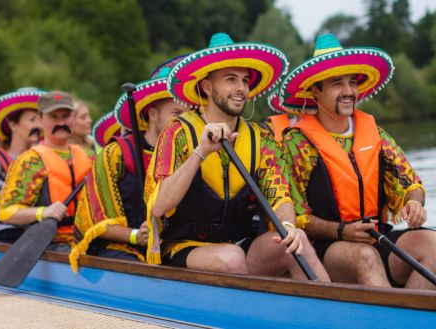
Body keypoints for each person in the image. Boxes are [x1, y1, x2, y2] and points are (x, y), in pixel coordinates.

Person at [145, 33, 330, 282]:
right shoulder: (177, 132)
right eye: (231, 79)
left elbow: (280, 193)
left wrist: (288, 226)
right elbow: (159, 206)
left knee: (299, 243)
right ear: (208, 87)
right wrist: (200, 153)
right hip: (183, 247)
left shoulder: (261, 137)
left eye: (244, 80)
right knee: (231, 258)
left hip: (241, 245)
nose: (241, 88)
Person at [280, 33, 436, 289]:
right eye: (337, 83)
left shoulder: (376, 134)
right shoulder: (296, 143)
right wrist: (341, 231)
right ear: (315, 91)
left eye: (352, 82)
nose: (349, 91)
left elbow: (411, 185)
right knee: (365, 257)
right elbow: (295, 217)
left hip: (379, 238)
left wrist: (414, 204)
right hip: (326, 248)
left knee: (433, 245)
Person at [69, 67, 187, 271]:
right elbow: (96, 221)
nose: (182, 123)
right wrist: (135, 235)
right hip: (122, 248)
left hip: (170, 247)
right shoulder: (115, 154)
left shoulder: (188, 156)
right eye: (176, 114)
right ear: (152, 115)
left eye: (187, 116)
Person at [0, 91, 92, 251]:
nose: (61, 122)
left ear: (73, 118)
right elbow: (6, 213)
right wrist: (42, 212)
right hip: (51, 244)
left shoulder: (86, 155)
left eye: (66, 116)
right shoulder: (30, 161)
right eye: (54, 117)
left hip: (88, 239)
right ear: (41, 120)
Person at [0, 88, 44, 242]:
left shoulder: (44, 159)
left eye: (40, 120)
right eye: (32, 120)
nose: (38, 126)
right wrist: (0, 197)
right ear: (13, 125)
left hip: (37, 236)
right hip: (3, 237)